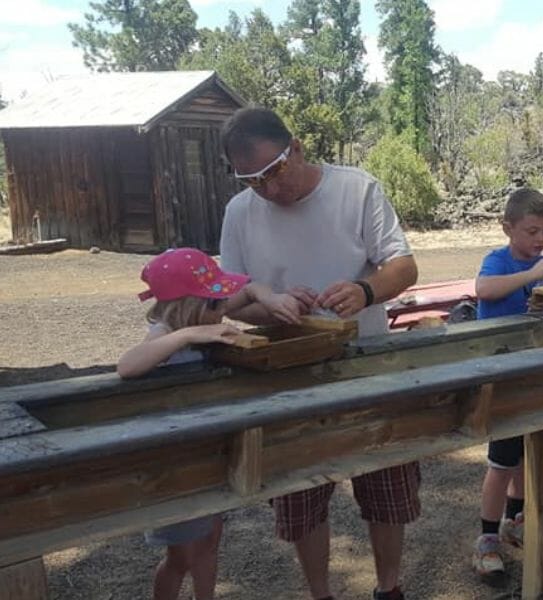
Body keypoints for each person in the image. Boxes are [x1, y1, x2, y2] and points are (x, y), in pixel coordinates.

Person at [218, 107, 420, 600]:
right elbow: (230, 301)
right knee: (300, 494)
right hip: (289, 377)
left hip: (368, 364)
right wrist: (275, 308)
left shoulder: (356, 189)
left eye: (274, 172)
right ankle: (320, 594)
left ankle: (388, 587)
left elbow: (404, 266)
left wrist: (364, 292)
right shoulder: (239, 212)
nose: (267, 189)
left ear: (297, 149)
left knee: (387, 485)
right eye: (252, 180)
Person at [118, 247, 299, 600]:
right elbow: (127, 365)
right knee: (180, 556)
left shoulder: (206, 314)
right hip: (174, 463)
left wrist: (270, 296)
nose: (224, 309)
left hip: (204, 453)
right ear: (190, 307)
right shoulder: (167, 331)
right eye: (215, 303)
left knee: (210, 541)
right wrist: (187, 337)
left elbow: (248, 291)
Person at [471, 188, 543, 577]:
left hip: (532, 370)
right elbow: (484, 290)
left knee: (526, 450)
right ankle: (486, 538)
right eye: (531, 231)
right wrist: (531, 274)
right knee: (502, 459)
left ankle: (515, 518)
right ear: (508, 228)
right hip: (500, 373)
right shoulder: (499, 261)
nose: (539, 240)